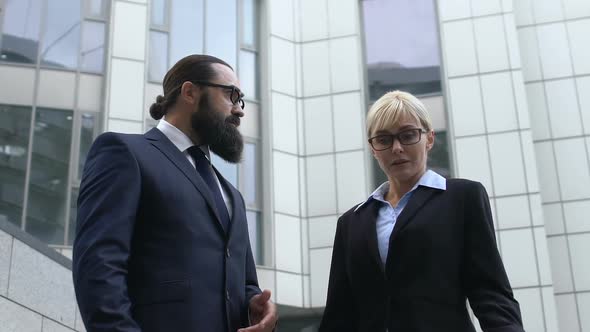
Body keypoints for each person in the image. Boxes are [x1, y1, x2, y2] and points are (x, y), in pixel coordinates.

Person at [73, 54, 277, 332]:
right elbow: (99, 265)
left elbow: (244, 282)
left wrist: (255, 304)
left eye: (240, 100)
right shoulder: (124, 153)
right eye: (231, 95)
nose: (239, 110)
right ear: (190, 92)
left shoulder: (232, 196)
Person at [319, 91, 524, 332]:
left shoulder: (462, 198)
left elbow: (490, 291)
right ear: (373, 148)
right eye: (384, 139)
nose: (396, 148)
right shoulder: (352, 222)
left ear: (429, 139)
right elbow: (339, 314)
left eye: (407, 136)